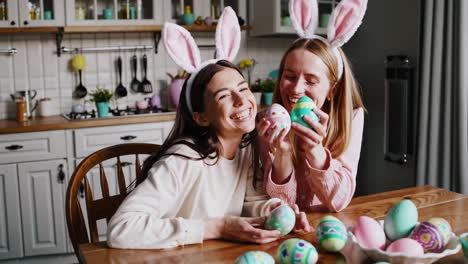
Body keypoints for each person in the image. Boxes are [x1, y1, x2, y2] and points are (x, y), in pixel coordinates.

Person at [107, 7, 309, 250]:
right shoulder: (182, 160)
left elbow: (249, 203)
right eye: (224, 96)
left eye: (243, 89)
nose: (241, 100)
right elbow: (120, 229)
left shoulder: (244, 147)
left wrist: (277, 212)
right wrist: (217, 227)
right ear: (201, 117)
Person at [257, 0, 367, 212]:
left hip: (326, 227)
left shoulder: (351, 118)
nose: (296, 89)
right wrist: (282, 154)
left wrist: (315, 150)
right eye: (289, 76)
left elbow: (337, 202)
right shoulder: (267, 122)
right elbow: (282, 206)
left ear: (333, 90)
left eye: (311, 80)